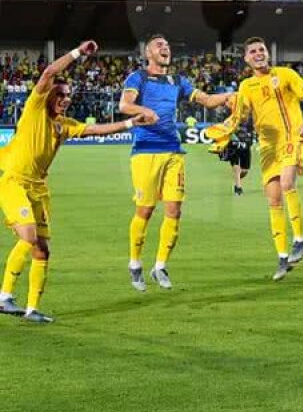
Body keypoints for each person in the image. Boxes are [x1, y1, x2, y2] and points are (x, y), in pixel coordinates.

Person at [0, 41, 152, 323]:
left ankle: (32, 309)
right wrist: (78, 53)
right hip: (14, 183)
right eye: (60, 94)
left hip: (39, 188)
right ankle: (4, 296)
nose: (65, 98)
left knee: (42, 249)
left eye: (68, 95)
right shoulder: (34, 108)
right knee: (29, 237)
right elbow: (48, 74)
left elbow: (95, 129)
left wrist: (131, 123)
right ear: (47, 95)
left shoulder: (65, 124)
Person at [119, 34, 233, 292]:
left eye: (167, 45)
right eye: (159, 45)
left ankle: (160, 266)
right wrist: (143, 110)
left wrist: (232, 95)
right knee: (145, 210)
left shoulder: (178, 81)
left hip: (173, 150)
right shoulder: (138, 78)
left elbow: (207, 101)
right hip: (146, 150)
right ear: (148, 53)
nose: (165, 48)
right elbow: (125, 105)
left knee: (174, 210)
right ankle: (135, 263)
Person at [204, 38, 303, 280]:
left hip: (292, 136)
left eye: (262, 50)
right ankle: (283, 258)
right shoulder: (246, 86)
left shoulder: (285, 74)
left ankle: (299, 240)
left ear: (267, 53)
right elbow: (240, 116)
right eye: (253, 51)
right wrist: (224, 132)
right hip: (267, 146)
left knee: (287, 183)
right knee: (274, 199)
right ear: (246, 58)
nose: (258, 54)